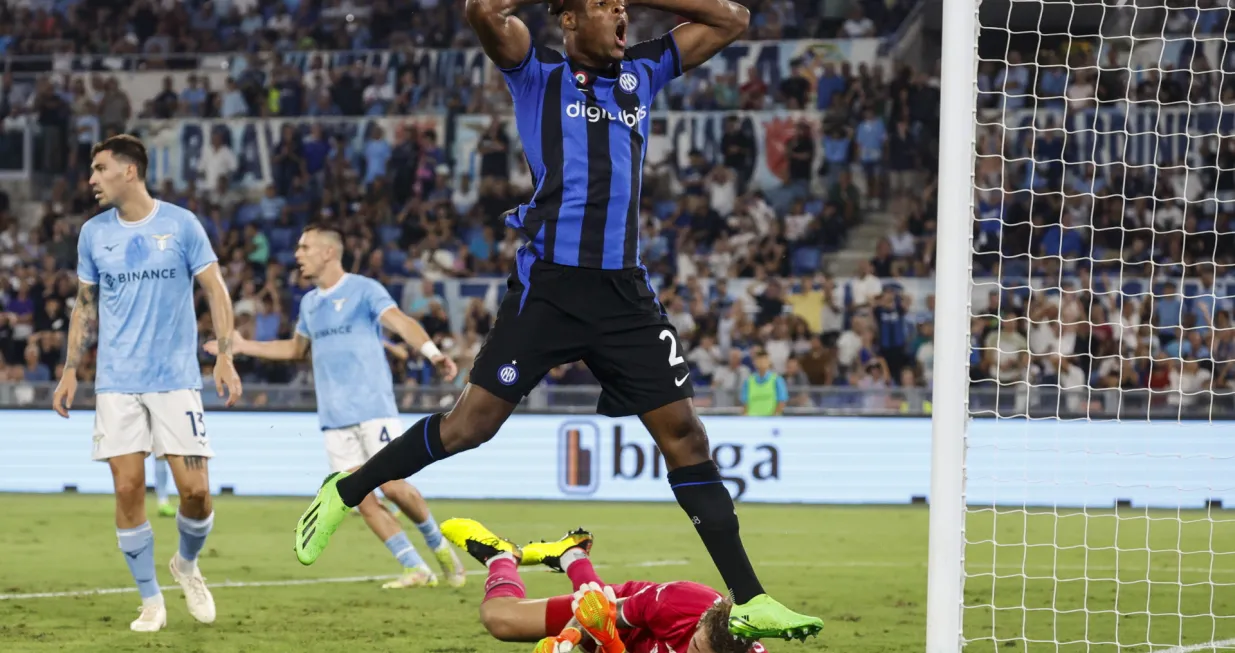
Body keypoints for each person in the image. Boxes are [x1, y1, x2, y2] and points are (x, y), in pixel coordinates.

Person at [293, 0, 822, 642]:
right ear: (568, 20)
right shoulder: (535, 70)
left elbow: (733, 18)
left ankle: (750, 598)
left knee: (686, 435)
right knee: (469, 427)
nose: (622, 14)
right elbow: (483, 11)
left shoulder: (643, 70)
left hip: (623, 294)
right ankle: (345, 491)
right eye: (605, 7)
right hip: (549, 288)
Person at [52, 134, 243, 632]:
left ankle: (185, 564)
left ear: (129, 170)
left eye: (99, 168)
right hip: (117, 384)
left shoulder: (181, 225)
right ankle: (150, 599)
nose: (91, 179)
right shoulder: (93, 233)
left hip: (176, 381)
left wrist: (225, 356)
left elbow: (216, 290)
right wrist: (71, 367)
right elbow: (84, 306)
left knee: (196, 492)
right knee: (128, 487)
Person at [204, 226, 466, 589]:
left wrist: (433, 354)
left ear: (329, 252)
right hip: (333, 419)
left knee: (393, 487)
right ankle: (414, 567)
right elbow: (296, 351)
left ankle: (439, 548)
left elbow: (401, 323)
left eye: (305, 246)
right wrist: (243, 346)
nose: (298, 254)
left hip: (374, 409)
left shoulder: (364, 290)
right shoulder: (310, 303)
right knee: (359, 499)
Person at [439, 518, 766, 653]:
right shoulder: (679, 602)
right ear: (702, 624)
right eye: (693, 647)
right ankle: (502, 557)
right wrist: (566, 641)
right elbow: (599, 613)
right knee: (499, 619)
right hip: (622, 613)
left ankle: (572, 553)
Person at [741, 349, 788, 416]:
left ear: (769, 361)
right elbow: (745, 404)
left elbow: (781, 402)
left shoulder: (777, 380)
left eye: (765, 359)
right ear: (754, 362)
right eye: (759, 359)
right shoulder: (748, 382)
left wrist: (773, 418)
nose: (762, 362)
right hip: (752, 421)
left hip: (771, 422)